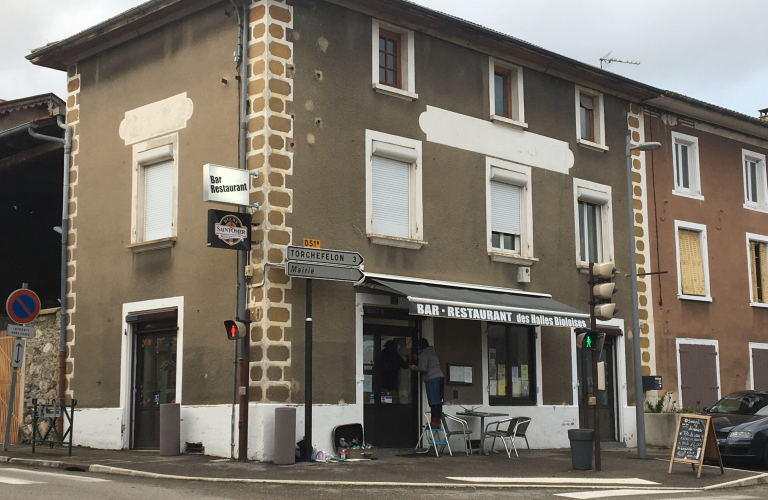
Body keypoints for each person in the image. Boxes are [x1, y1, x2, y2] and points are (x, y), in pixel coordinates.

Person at [410, 338, 445, 429]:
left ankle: (433, 423)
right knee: (438, 402)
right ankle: (438, 422)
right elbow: (429, 363)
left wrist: (414, 367)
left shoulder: (423, 353)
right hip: (440, 377)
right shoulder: (432, 352)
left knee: (433, 402)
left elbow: (423, 368)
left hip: (432, 378)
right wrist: (418, 359)